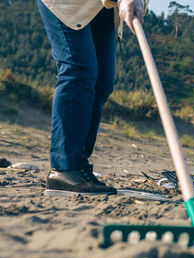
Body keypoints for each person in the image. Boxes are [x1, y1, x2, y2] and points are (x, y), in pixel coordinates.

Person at [37, 0, 147, 195]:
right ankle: (66, 168)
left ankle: (79, 164)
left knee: (102, 83)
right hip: (66, 4)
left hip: (103, 7)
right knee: (78, 70)